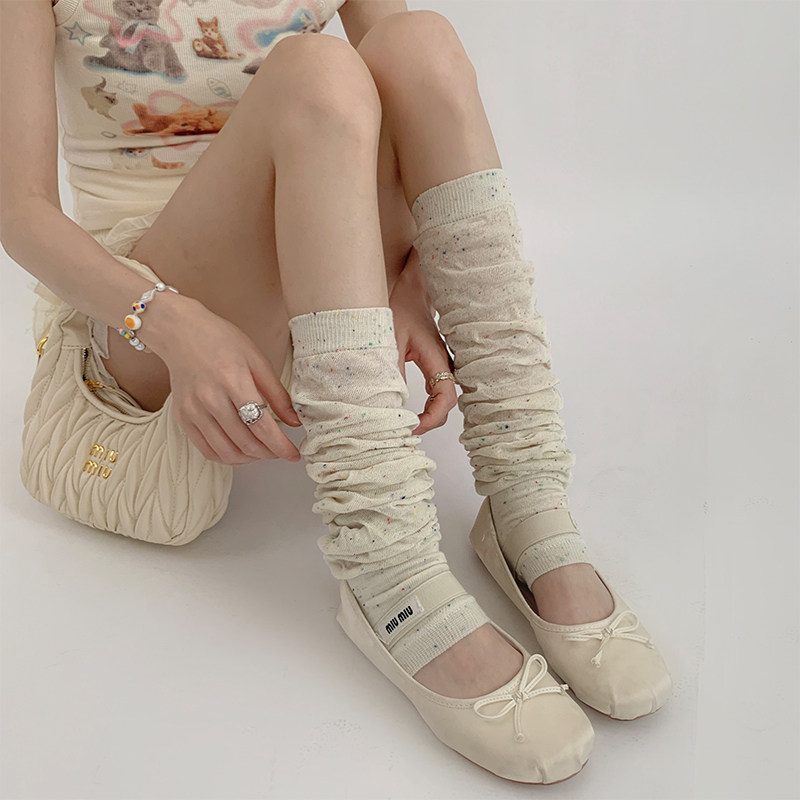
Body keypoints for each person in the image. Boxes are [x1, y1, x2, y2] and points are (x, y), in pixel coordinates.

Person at [0, 0, 672, 784]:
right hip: (139, 310)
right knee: (314, 69)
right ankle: (386, 568)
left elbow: (408, 108)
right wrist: (174, 323)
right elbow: (19, 212)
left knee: (418, 44)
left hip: (322, 265)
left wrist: (409, 276)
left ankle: (523, 488)